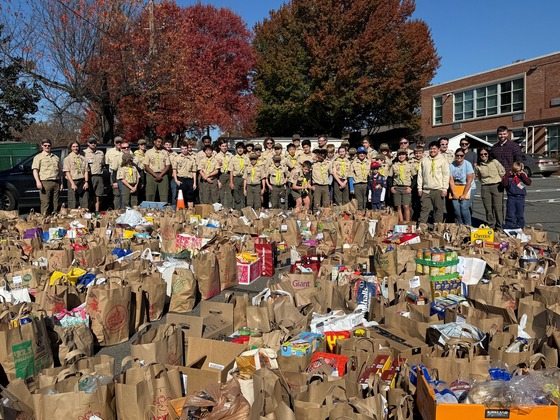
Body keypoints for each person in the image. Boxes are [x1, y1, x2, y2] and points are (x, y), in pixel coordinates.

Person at [417, 140, 450, 224]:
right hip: (426, 189)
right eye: (431, 149)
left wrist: (445, 189)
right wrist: (419, 188)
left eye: (434, 149)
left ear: (438, 149)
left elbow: (446, 175)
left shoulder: (443, 160)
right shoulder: (424, 160)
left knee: (438, 209)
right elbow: (420, 175)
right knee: (424, 209)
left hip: (438, 189)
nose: (432, 150)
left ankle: (437, 228)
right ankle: (422, 227)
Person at [475, 147, 505, 229]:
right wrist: (485, 182)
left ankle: (500, 226)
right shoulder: (478, 166)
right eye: (481, 154)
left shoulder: (494, 162)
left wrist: (499, 180)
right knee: (488, 208)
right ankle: (491, 225)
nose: (483, 156)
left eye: (485, 154)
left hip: (496, 186)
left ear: (488, 154)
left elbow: (502, 172)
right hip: (485, 187)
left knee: (498, 208)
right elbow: (479, 177)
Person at [32, 139, 62, 215]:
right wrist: (38, 182)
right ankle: (45, 221)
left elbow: (60, 171)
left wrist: (61, 183)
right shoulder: (38, 157)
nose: (47, 147)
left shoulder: (55, 157)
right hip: (45, 182)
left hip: (56, 182)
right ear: (42, 146)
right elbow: (35, 170)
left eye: (49, 145)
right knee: (46, 203)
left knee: (55, 203)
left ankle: (54, 220)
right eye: (45, 145)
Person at [388, 149, 417, 222]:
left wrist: (411, 187)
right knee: (398, 207)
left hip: (406, 188)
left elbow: (415, 177)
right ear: (397, 156)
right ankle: (401, 222)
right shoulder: (394, 166)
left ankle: (407, 222)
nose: (401, 156)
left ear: (406, 156)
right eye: (399, 155)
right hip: (397, 188)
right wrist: (391, 187)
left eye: (403, 154)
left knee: (406, 206)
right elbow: (390, 177)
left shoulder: (410, 165)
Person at [448, 148, 475, 225]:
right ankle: (460, 224)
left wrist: (464, 194)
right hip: (456, 187)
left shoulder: (467, 164)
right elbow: (451, 180)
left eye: (461, 155)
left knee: (464, 207)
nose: (459, 157)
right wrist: (454, 193)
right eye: (457, 155)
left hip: (468, 187)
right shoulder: (451, 165)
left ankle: (468, 225)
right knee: (456, 208)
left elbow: (469, 181)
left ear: (464, 156)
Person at [503, 161, 531, 229]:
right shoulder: (509, 177)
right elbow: (504, 184)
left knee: (520, 214)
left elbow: (528, 182)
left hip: (520, 198)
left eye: (519, 171)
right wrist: (508, 175)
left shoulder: (523, 176)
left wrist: (522, 175)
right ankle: (509, 227)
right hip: (511, 197)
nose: (517, 173)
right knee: (510, 214)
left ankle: (520, 227)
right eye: (516, 171)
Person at [63, 141, 89, 209]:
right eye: (73, 147)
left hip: (82, 181)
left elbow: (86, 171)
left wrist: (86, 182)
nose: (75, 148)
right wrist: (72, 184)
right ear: (71, 148)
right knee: (72, 201)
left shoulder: (83, 159)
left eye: (77, 146)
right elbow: (67, 172)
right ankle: (72, 217)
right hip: (72, 181)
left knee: (84, 201)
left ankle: (84, 217)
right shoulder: (67, 159)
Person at [144, 136, 171, 202]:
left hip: (163, 175)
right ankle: (149, 210)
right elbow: (146, 165)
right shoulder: (148, 152)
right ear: (154, 142)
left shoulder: (165, 152)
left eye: (161, 142)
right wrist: (155, 175)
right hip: (151, 174)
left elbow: (168, 165)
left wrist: (160, 175)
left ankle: (164, 211)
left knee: (164, 194)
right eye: (158, 142)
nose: (160, 143)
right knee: (150, 194)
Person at [173, 140, 198, 209]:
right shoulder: (177, 158)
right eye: (182, 149)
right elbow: (174, 169)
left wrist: (194, 183)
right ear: (180, 149)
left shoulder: (192, 159)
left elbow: (194, 171)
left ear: (188, 148)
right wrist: (176, 180)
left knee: (190, 197)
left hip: (189, 179)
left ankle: (190, 212)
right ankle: (180, 213)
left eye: (185, 149)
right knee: (181, 196)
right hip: (181, 179)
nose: (184, 150)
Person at [84, 137, 104, 213]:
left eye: (94, 143)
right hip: (89, 177)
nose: (93, 144)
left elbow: (103, 164)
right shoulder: (84, 152)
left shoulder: (100, 153)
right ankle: (88, 213)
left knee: (97, 197)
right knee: (88, 197)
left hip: (99, 176)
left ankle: (96, 213)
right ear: (88, 143)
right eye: (91, 142)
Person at [105, 136, 123, 209]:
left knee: (125, 194)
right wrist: (113, 179)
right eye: (117, 142)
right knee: (117, 194)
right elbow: (106, 164)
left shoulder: (126, 150)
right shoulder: (110, 152)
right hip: (114, 175)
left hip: (126, 176)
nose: (118, 144)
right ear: (114, 143)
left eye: (120, 142)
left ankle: (125, 211)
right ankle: (117, 210)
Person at [229, 141, 248, 210]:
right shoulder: (233, 158)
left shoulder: (247, 158)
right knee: (236, 196)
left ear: (244, 149)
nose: (240, 150)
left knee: (244, 195)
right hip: (236, 178)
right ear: (236, 149)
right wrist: (231, 182)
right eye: (238, 148)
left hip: (244, 178)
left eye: (241, 148)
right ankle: (237, 211)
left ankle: (243, 212)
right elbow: (231, 171)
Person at [215, 139, 233, 208]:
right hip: (221, 175)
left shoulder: (230, 155)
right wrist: (218, 180)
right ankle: (222, 208)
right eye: (223, 146)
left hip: (228, 175)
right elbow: (215, 169)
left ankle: (229, 208)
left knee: (229, 193)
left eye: (225, 146)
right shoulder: (217, 156)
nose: (224, 147)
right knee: (221, 193)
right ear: (219, 146)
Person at [164, 139, 179, 206]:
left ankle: (173, 206)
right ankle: (165, 205)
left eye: (169, 144)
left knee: (174, 191)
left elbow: (177, 165)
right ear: (164, 145)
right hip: (164, 175)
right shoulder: (162, 153)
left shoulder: (175, 154)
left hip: (173, 176)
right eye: (166, 144)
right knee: (165, 192)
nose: (168, 146)